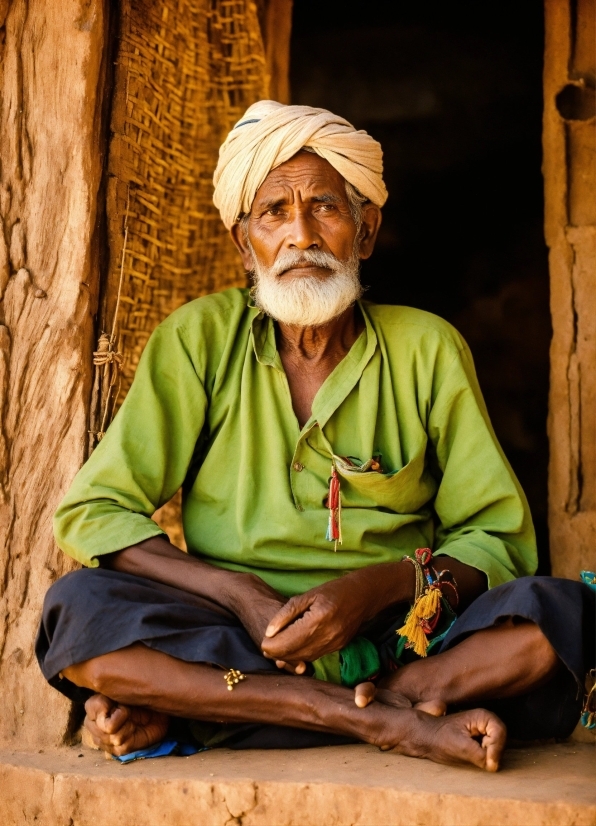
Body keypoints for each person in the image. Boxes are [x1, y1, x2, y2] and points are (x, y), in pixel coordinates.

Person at [37, 101, 595, 772]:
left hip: (402, 637)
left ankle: (234, 711)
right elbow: (96, 511)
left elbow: (497, 537)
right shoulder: (197, 340)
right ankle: (381, 718)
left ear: (365, 232)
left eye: (325, 208)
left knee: (559, 616)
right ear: (245, 245)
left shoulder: (426, 348)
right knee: (77, 611)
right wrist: (243, 596)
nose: (301, 235)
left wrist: (375, 588)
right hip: (241, 639)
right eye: (274, 213)